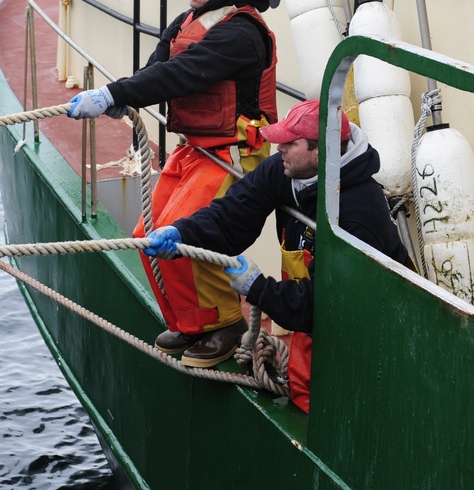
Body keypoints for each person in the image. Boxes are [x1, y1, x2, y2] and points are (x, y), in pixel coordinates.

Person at [66, 0, 279, 368]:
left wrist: (115, 92)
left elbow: (185, 72)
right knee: (149, 231)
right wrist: (125, 97)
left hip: (232, 153)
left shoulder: (241, 34)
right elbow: (159, 67)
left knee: (184, 233)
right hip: (194, 148)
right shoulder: (187, 22)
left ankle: (226, 323)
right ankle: (190, 322)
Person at [145, 99, 412, 411]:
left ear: (321, 152)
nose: (279, 147)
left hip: (374, 333)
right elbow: (233, 214)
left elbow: (327, 309)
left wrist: (258, 289)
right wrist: (182, 233)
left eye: (291, 142)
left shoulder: (356, 216)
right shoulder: (288, 171)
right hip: (319, 317)